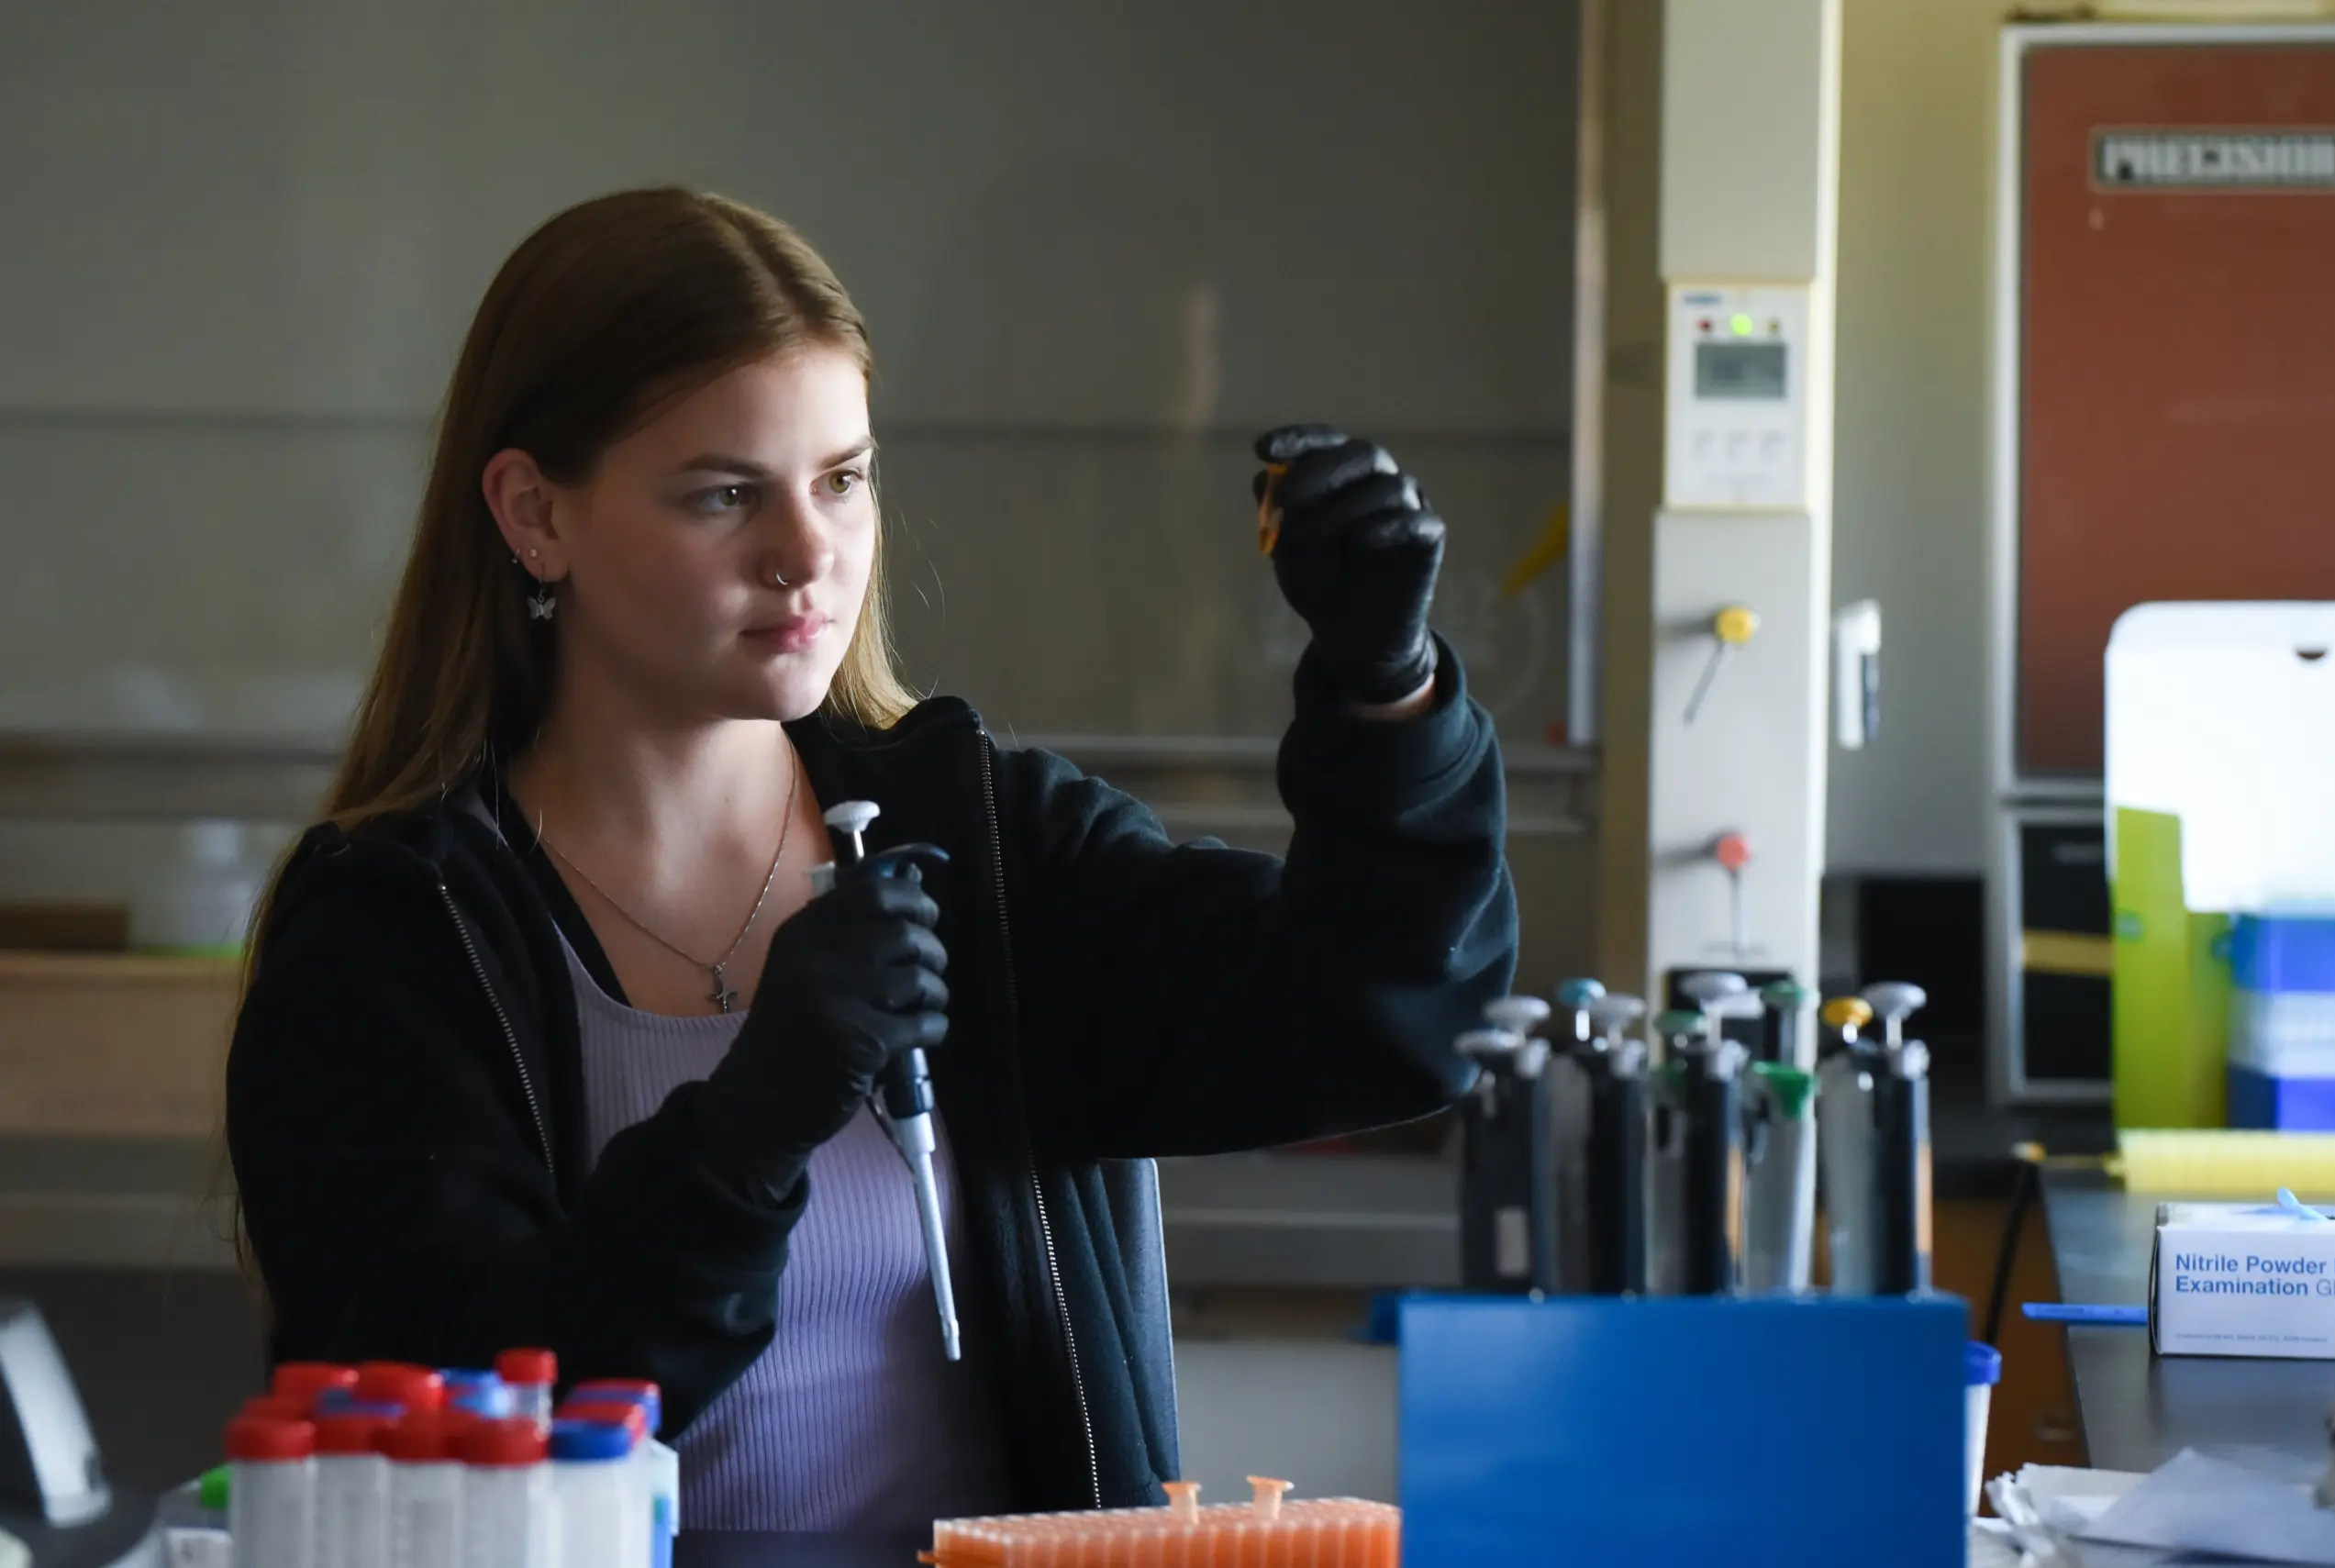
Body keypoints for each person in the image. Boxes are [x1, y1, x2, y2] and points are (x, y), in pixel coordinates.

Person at [225, 186, 1517, 1533]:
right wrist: (746, 1128)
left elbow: (1384, 1021)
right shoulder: (395, 938)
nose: (807, 555)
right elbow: (443, 1432)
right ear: (534, 514)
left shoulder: (988, 855)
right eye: (725, 495)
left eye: (842, 479)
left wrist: (1389, 698)